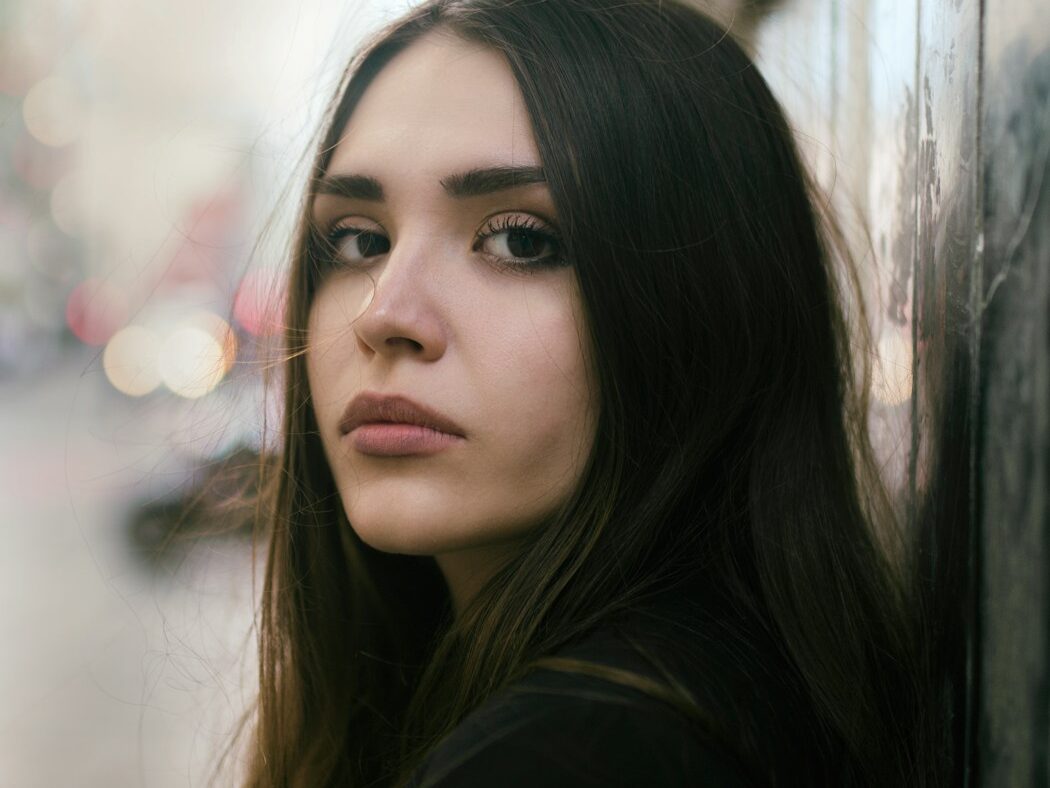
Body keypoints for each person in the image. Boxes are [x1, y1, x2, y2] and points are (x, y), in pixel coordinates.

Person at [221, 1, 944, 785]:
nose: (384, 315)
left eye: (519, 240)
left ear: (704, 310)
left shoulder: (571, 757)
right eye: (360, 240)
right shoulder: (727, 695)